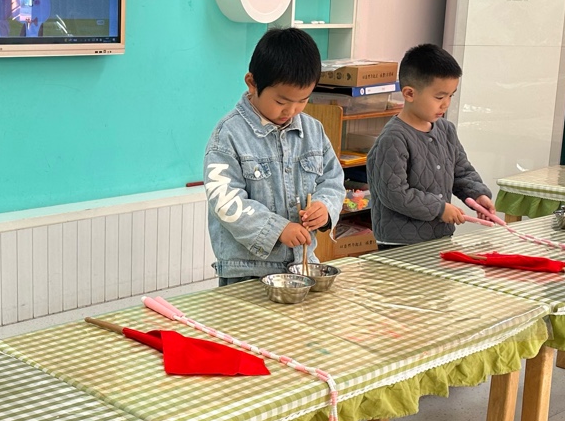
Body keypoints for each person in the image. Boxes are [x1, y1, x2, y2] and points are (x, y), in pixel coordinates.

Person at [204, 27, 346, 286]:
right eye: (281, 102)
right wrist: (277, 228)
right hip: (246, 272)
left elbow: (333, 180)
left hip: (301, 265)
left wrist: (325, 207)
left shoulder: (313, 130)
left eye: (302, 101)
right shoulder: (229, 135)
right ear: (252, 83)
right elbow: (225, 201)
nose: (291, 110)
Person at [366, 43, 494, 248]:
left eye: (451, 95)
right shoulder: (393, 138)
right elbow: (394, 193)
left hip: (440, 237)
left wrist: (477, 194)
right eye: (439, 97)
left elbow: (461, 171)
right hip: (400, 243)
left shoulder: (446, 130)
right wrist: (439, 209)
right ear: (409, 94)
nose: (446, 104)